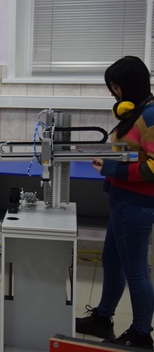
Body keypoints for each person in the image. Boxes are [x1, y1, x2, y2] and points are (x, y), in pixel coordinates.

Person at [76, 56, 154, 349]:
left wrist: (112, 169)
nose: (114, 94)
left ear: (130, 85)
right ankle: (102, 317)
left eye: (116, 87)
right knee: (111, 261)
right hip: (122, 202)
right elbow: (130, 153)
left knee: (136, 271)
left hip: (136, 205)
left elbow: (153, 166)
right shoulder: (136, 113)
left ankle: (141, 334)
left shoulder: (150, 116)